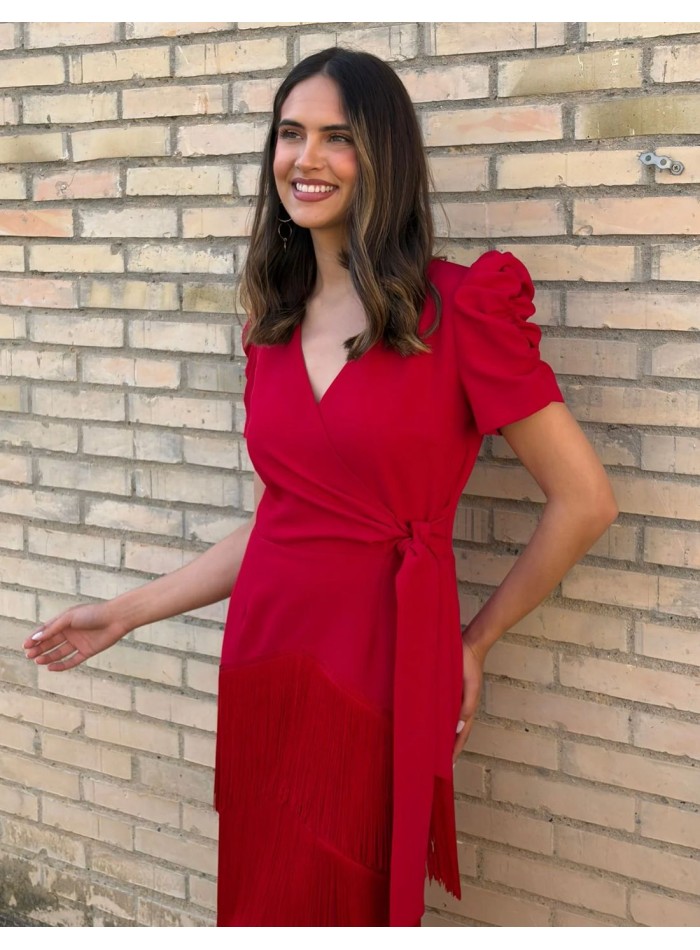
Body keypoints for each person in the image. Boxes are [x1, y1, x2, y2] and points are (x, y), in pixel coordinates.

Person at [23, 47, 618, 928]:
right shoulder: (270, 323)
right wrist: (129, 611)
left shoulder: (459, 310)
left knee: (349, 902)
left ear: (384, 154)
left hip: (383, 661)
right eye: (290, 133)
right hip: (269, 657)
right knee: (265, 899)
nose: (307, 159)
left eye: (338, 138)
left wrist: (476, 642)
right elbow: (286, 521)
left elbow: (586, 501)